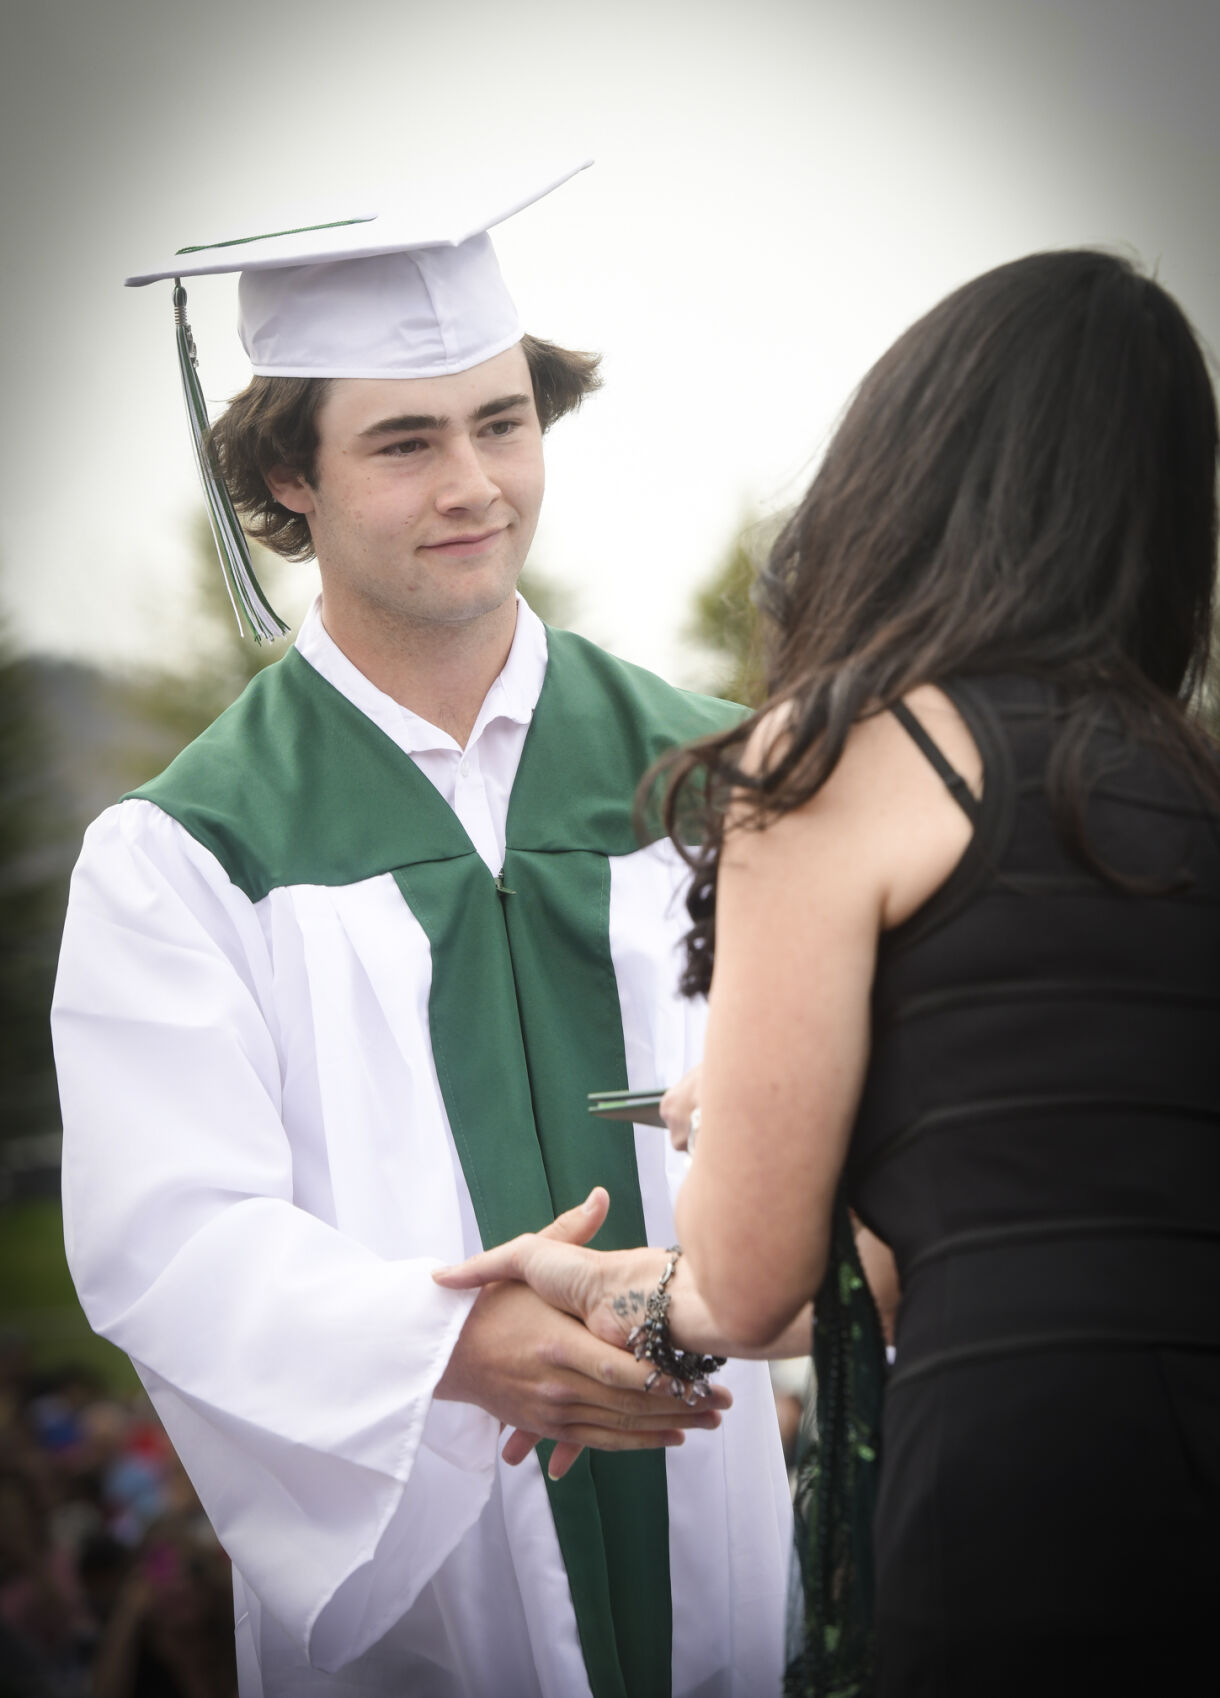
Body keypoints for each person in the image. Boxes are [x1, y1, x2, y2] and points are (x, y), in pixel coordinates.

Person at [52, 162, 794, 1698]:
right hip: (434, 1620)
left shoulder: (727, 783)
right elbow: (167, 1239)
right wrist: (448, 1344)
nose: (475, 483)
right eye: (407, 440)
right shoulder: (185, 857)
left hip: (731, 1571)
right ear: (289, 478)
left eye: (504, 422)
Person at [435, 249, 1220, 1696]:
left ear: (911, 460)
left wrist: (658, 1228)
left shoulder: (846, 752)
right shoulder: (1188, 778)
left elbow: (743, 1278)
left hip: (1021, 1483)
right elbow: (1001, 1205)